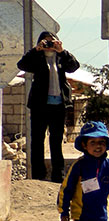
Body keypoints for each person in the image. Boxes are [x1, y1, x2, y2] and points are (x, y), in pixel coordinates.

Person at [16, 31, 80, 182]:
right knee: (37, 141)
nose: (49, 45)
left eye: (52, 42)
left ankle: (58, 175)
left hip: (58, 105)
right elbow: (22, 64)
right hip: (40, 105)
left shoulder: (61, 58)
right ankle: (38, 175)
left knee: (56, 141)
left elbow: (74, 67)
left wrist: (62, 51)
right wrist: (36, 50)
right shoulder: (37, 59)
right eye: (46, 42)